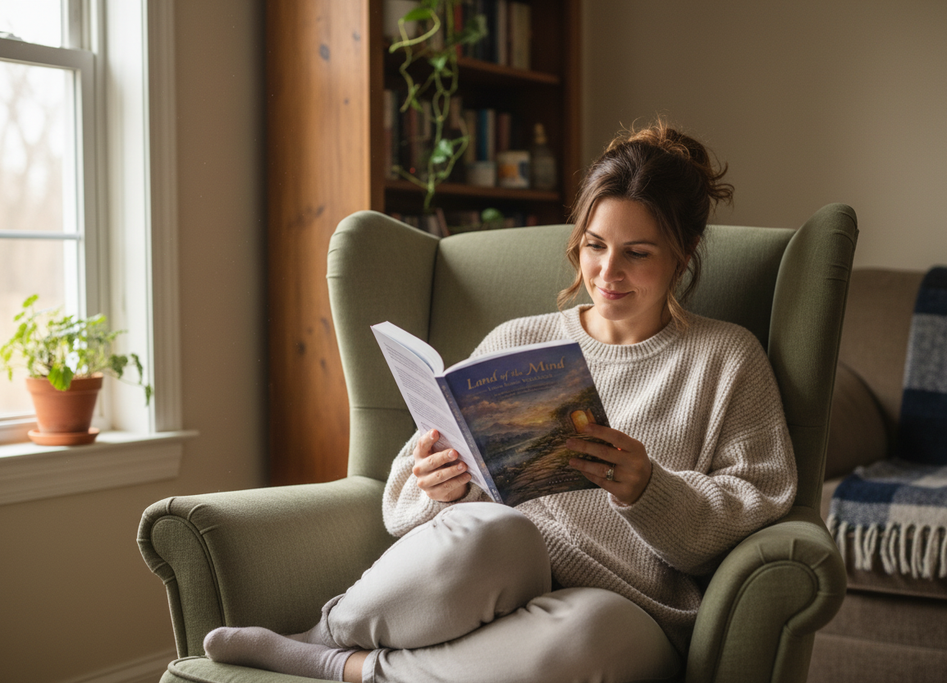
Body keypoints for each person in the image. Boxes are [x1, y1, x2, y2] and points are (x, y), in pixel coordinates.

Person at [203, 121, 798, 683]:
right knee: (496, 533)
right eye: (594, 245)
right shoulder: (521, 341)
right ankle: (329, 631)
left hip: (626, 600)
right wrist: (437, 483)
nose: (608, 271)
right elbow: (407, 492)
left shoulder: (726, 359)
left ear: (683, 252)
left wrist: (650, 488)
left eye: (637, 253)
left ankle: (339, 668)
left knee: (589, 634)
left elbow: (759, 499)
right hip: (510, 560)